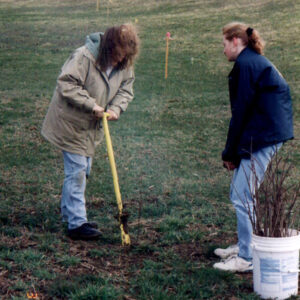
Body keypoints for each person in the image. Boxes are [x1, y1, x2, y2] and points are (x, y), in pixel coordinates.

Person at [41, 24, 140, 240]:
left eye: (124, 57)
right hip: (70, 122)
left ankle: (70, 214)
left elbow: (126, 88)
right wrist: (91, 104)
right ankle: (77, 224)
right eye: (117, 55)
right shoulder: (84, 57)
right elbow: (66, 83)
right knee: (76, 171)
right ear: (109, 47)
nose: (119, 60)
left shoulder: (124, 64)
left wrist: (114, 109)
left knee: (82, 170)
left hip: (91, 127)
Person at [213, 22, 293, 272]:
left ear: (236, 41)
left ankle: (246, 258)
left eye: (224, 44)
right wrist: (237, 152)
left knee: (241, 195)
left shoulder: (246, 65)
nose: (223, 50)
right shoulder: (251, 61)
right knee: (241, 193)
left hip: (265, 136)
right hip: (263, 133)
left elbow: (240, 113)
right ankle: (244, 245)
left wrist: (230, 153)